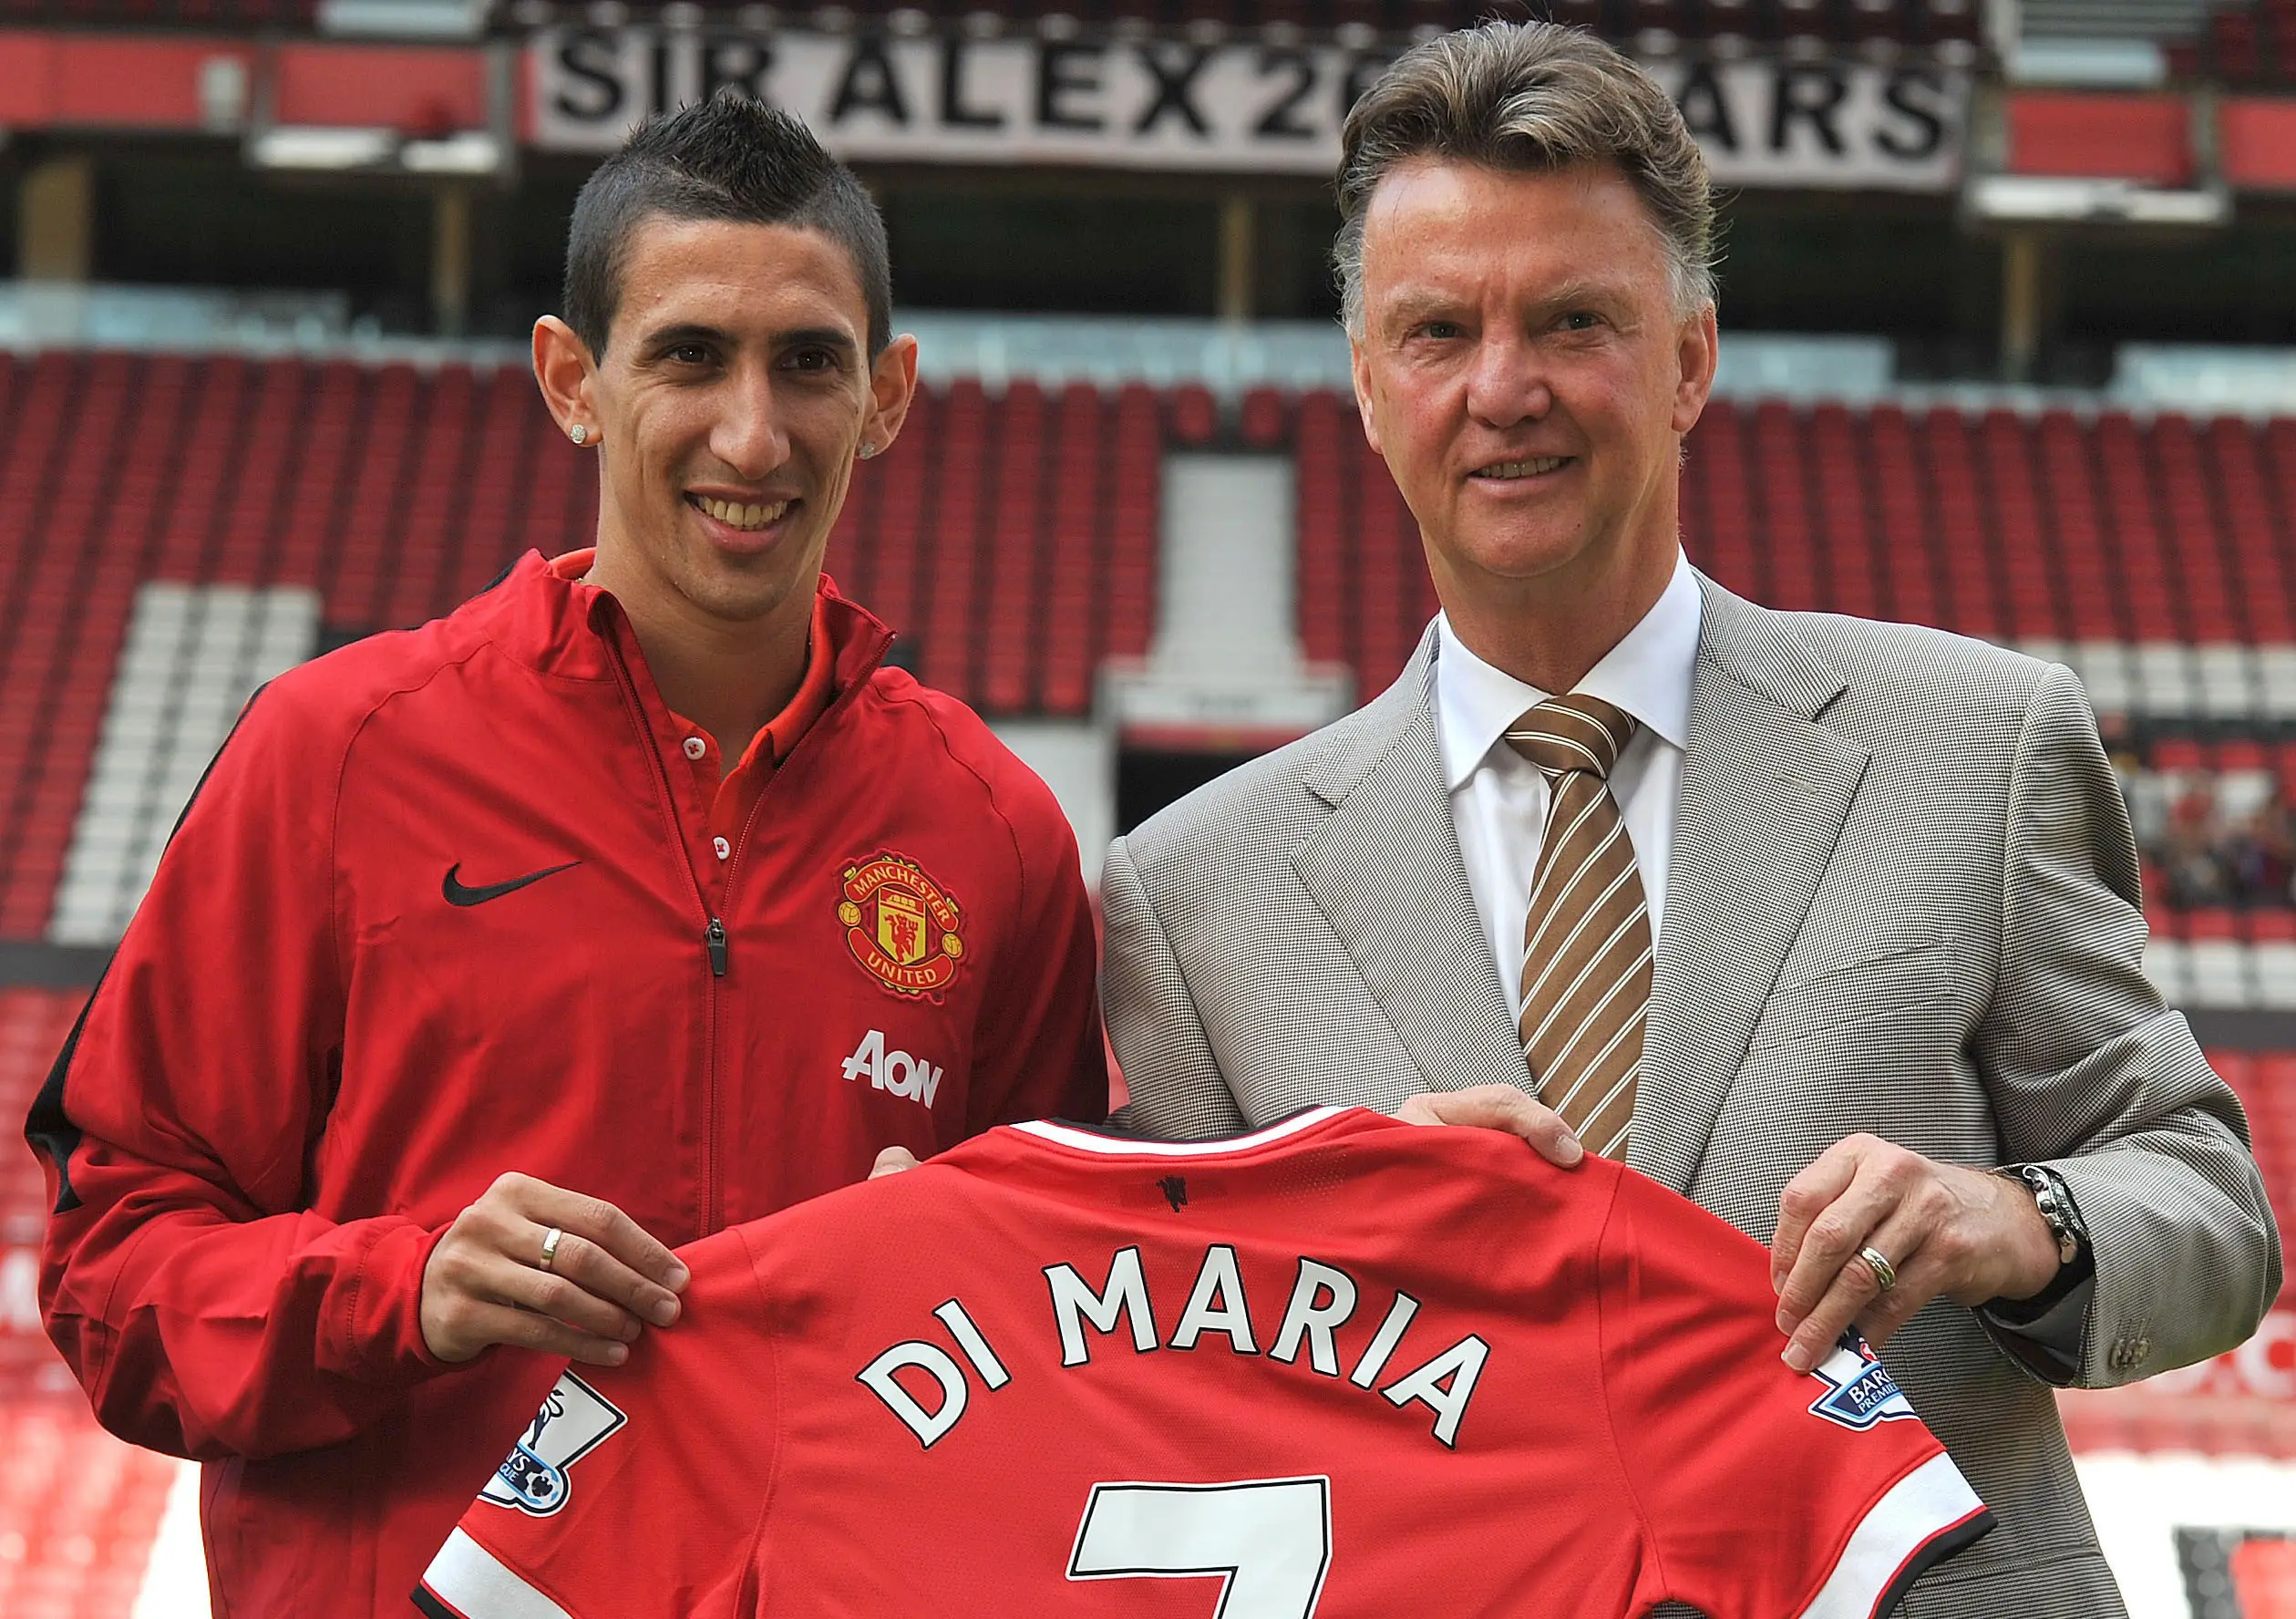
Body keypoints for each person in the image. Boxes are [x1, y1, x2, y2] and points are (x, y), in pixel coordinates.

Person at [1096, 24, 2281, 1618]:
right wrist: (1309, 1228)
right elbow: (1160, 1380)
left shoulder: (1971, 743)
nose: (1502, 388)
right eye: (1437, 331)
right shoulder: (1190, 893)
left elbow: (2205, 1204)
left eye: (1572, 321)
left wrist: (2016, 1219)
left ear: (1688, 361)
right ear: (1372, 393)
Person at [26, 95, 1103, 1616]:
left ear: (889, 395)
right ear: (570, 381)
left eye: (809, 362)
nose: (752, 432)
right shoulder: (337, 752)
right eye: (687, 356)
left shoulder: (991, 830)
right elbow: (108, 1265)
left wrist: (956, 1273)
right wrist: (404, 1294)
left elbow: (1062, 1330)